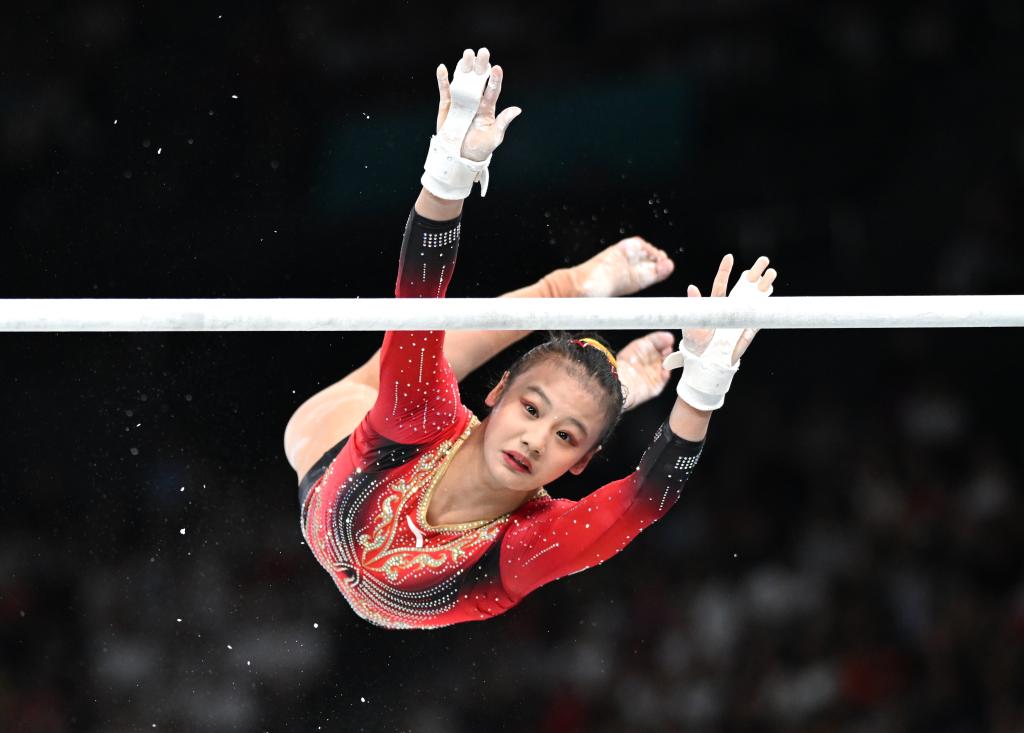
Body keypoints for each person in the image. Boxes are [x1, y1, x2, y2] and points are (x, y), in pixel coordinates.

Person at [283, 48, 777, 629]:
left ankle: (605, 385)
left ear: (582, 462)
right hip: (348, 455)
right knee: (404, 359)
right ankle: (563, 291)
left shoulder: (526, 546)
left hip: (374, 479)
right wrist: (448, 174)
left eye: (565, 437)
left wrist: (704, 387)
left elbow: (643, 500)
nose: (535, 440)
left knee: (415, 374)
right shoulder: (418, 415)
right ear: (495, 395)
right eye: (531, 409)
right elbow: (419, 296)